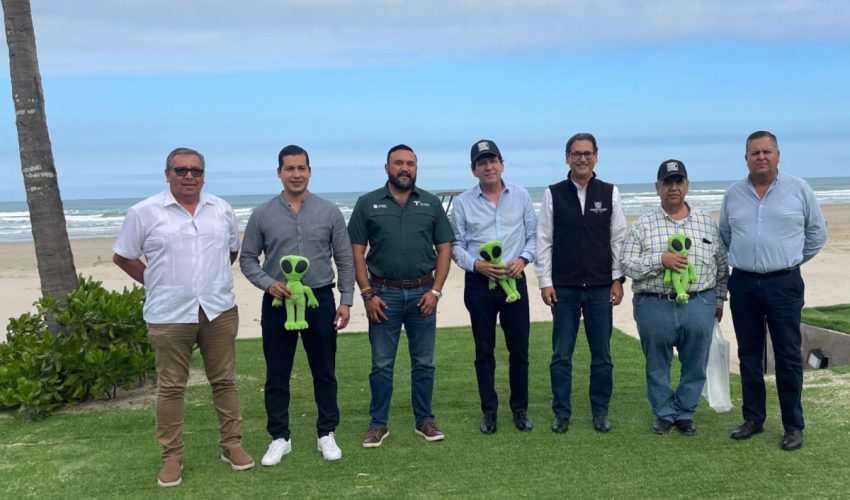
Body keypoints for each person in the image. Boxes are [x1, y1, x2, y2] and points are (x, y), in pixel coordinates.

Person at [112, 147, 253, 488]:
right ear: (167, 174)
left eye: (196, 171)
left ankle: (231, 444)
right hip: (168, 314)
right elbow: (124, 256)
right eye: (181, 170)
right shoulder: (144, 212)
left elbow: (230, 251)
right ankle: (172, 456)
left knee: (225, 381)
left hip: (217, 310)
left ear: (204, 175)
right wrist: (157, 281)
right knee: (172, 387)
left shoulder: (221, 210)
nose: (189, 176)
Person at [239, 145, 355, 465]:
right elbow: (248, 259)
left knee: (324, 370)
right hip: (278, 301)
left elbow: (345, 259)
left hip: (319, 299)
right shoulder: (262, 214)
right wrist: (268, 283)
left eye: (301, 168)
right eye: (289, 168)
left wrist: (346, 301)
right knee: (277, 372)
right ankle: (280, 437)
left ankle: (326, 433)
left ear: (310, 171)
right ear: (279, 172)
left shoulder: (329, 211)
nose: (296, 174)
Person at [720, 131, 827, 451]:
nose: (761, 157)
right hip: (743, 282)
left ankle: (793, 425)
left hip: (784, 283)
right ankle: (753, 418)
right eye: (755, 152)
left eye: (767, 151)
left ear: (778, 156)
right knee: (749, 354)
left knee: (788, 356)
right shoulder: (733, 194)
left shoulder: (799, 189)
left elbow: (816, 235)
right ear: (746, 158)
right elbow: (725, 235)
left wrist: (789, 262)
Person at [348, 144, 455, 447]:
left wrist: (437, 290)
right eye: (398, 163)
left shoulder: (431, 204)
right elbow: (356, 251)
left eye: (410, 163)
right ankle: (378, 424)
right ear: (387, 168)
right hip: (383, 295)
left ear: (416, 168)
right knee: (381, 364)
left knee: (424, 362)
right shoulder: (367, 203)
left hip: (424, 293)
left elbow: (445, 247)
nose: (404, 168)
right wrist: (366, 292)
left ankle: (425, 420)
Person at [621, 159, 728, 435]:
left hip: (698, 303)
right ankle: (664, 413)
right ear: (657, 187)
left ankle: (684, 412)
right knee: (657, 363)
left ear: (687, 185)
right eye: (667, 182)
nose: (673, 187)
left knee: (695, 363)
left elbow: (720, 265)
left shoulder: (706, 223)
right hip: (654, 304)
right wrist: (660, 260)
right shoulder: (643, 225)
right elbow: (627, 264)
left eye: (678, 181)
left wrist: (717, 301)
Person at [534, 132, 627, 434]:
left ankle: (600, 411)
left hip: (601, 288)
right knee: (561, 355)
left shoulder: (609, 192)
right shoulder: (553, 193)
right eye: (576, 153)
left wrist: (617, 279)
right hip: (565, 289)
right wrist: (545, 282)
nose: (582, 158)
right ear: (567, 158)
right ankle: (562, 412)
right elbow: (544, 240)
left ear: (596, 157)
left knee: (602, 355)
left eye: (587, 153)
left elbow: (618, 240)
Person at [450, 139, 537, 434]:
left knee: (519, 350)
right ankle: (489, 411)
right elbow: (456, 246)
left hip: (515, 281)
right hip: (479, 284)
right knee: (484, 350)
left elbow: (534, 237)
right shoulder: (462, 202)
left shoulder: (522, 195)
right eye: (481, 162)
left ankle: (520, 408)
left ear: (502, 164)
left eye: (493, 160)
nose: (488, 166)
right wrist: (477, 264)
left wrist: (524, 260)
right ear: (474, 170)